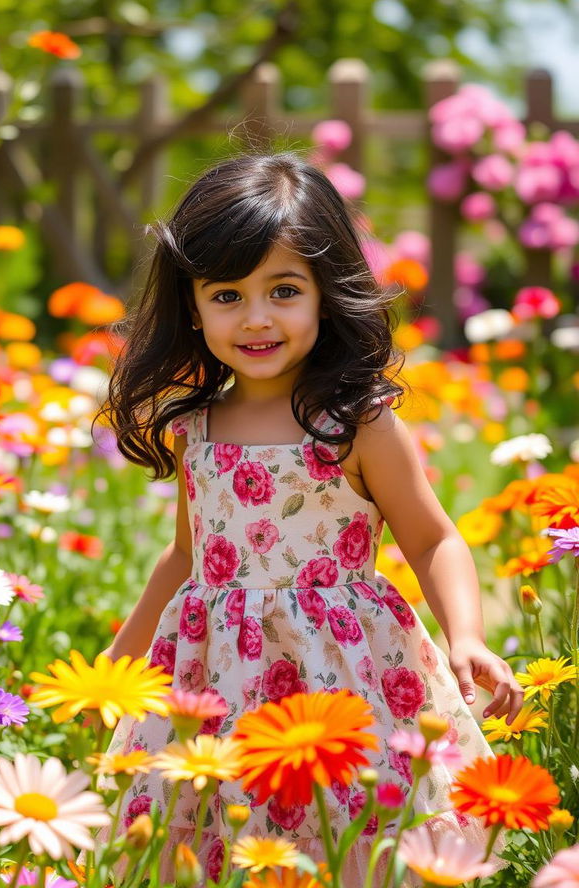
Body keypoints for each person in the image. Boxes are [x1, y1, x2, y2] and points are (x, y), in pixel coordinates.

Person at [98, 151, 523, 884]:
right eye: (226, 295)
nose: (256, 318)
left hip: (346, 675)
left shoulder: (356, 422)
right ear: (192, 306)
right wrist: (118, 667)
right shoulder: (196, 427)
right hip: (217, 680)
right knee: (214, 829)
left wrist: (467, 638)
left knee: (348, 828)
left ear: (327, 295)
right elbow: (183, 558)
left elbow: (432, 538)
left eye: (284, 290)